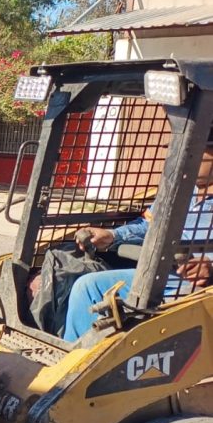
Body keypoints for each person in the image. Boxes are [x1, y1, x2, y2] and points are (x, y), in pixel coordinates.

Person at [63, 142, 213, 341]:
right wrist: (112, 236)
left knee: (90, 286)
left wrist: (209, 267)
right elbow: (148, 225)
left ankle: (80, 362)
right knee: (76, 281)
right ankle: (75, 356)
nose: (183, 158)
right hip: (161, 274)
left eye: (193, 151)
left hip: (196, 287)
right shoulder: (180, 190)